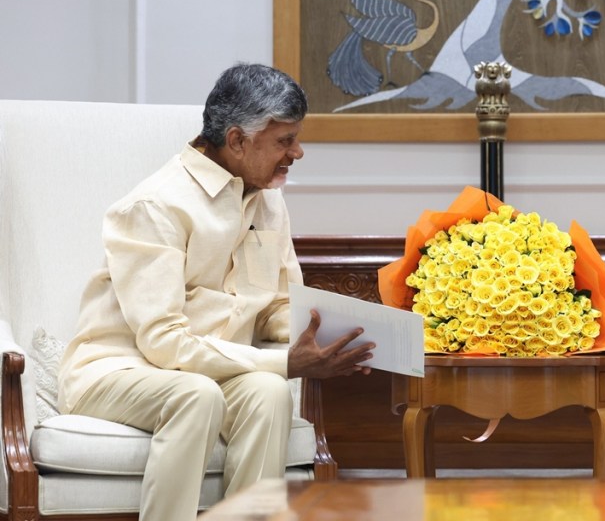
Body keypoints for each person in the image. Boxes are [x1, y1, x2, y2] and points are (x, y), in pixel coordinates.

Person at [57, 63, 375, 521]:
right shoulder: (155, 206)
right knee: (196, 395)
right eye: (285, 140)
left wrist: (338, 335)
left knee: (269, 392)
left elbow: (277, 309)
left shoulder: (268, 199)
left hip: (209, 370)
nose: (298, 152)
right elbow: (164, 343)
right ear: (237, 140)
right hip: (116, 370)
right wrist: (288, 361)